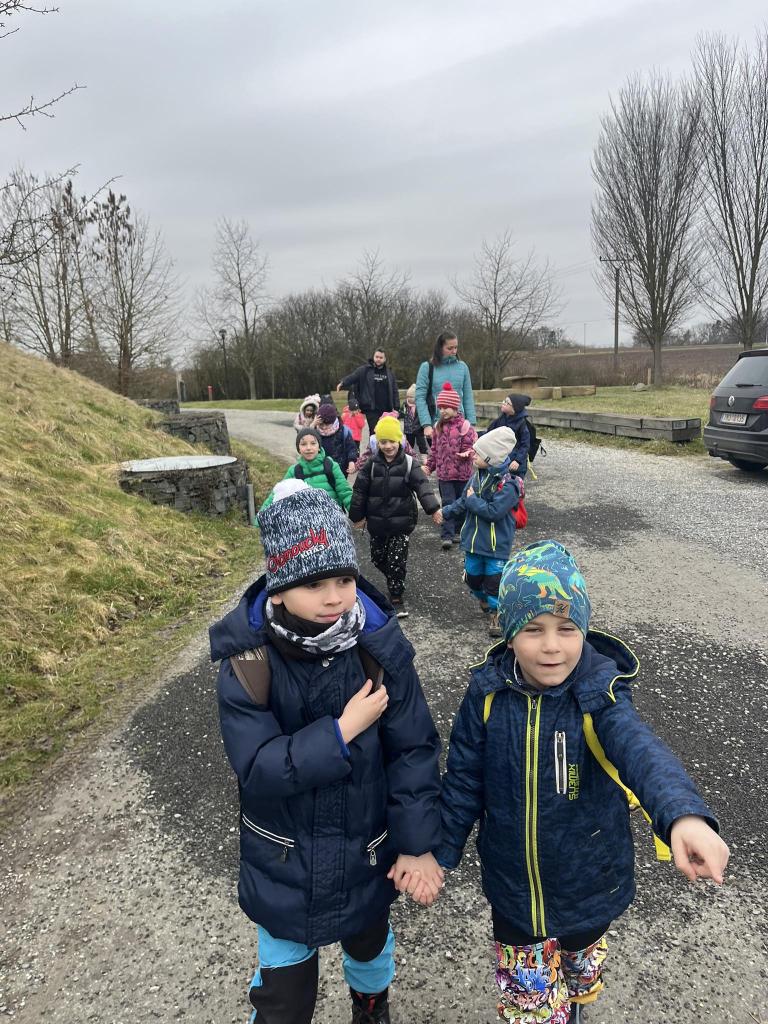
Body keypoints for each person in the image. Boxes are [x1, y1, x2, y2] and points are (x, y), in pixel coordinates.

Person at [427, 539, 729, 1024]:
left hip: (589, 885)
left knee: (577, 980)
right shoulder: (485, 695)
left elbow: (640, 751)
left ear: (584, 631)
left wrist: (683, 816)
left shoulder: (599, 695)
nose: (551, 645)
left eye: (567, 629)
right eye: (533, 629)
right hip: (513, 891)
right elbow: (463, 781)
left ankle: (574, 1005)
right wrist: (438, 853)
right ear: (509, 633)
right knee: (531, 1009)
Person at [210, 484, 444, 1024]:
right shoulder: (248, 663)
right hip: (284, 859)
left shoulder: (378, 649)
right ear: (278, 588)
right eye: (314, 583)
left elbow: (413, 749)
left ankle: (371, 1007)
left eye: (343, 579)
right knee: (285, 993)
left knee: (369, 950)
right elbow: (257, 766)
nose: (335, 597)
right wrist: (340, 733)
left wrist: (416, 845)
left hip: (366, 851)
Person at [349, 416, 442, 613]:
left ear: (399, 440)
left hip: (402, 522)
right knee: (377, 558)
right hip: (377, 523)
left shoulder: (409, 463)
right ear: (377, 443)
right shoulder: (371, 465)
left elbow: (423, 487)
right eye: (383, 442)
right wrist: (357, 516)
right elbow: (359, 491)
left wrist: (433, 509)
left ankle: (396, 594)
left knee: (396, 560)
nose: (388, 446)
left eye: (392, 441)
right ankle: (394, 576)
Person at [440, 427, 521, 637]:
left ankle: (496, 613)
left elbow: (494, 512)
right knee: (473, 579)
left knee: (494, 582)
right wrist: (445, 512)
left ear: (491, 457)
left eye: (478, 452)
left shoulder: (509, 485)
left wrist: (472, 500)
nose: (472, 454)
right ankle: (483, 598)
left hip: (496, 545)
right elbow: (462, 502)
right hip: (473, 542)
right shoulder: (476, 477)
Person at [422, 382, 477, 550]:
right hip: (445, 475)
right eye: (440, 407)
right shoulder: (438, 427)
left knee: (462, 503)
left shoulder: (465, 426)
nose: (443, 411)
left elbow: (471, 446)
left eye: (446, 407)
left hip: (462, 474)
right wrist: (429, 466)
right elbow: (434, 450)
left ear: (455, 407)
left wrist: (466, 453)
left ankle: (459, 531)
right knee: (447, 503)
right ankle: (447, 534)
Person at [260, 428, 352, 512]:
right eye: (303, 444)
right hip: (307, 521)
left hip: (333, 518)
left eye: (313, 443)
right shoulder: (294, 471)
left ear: (319, 447)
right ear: (299, 449)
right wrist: (259, 519)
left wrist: (356, 515)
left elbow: (345, 492)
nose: (308, 448)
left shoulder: (331, 466)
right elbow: (276, 495)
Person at [414, 331, 476, 440]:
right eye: (450, 348)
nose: (454, 351)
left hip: (460, 424)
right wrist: (426, 424)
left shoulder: (463, 367)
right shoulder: (427, 367)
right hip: (436, 425)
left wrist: (472, 424)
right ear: (440, 348)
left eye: (456, 347)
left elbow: (468, 397)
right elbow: (420, 398)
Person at [338, 349, 400, 436]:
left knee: (385, 431)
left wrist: (396, 407)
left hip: (386, 408)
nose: (378, 359)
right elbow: (354, 376)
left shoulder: (389, 373)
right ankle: (373, 445)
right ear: (373, 357)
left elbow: (394, 390)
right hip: (371, 408)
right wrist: (343, 382)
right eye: (376, 357)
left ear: (385, 359)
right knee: (374, 431)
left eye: (381, 357)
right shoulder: (365, 370)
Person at [485, 393, 532, 476]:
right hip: (501, 459)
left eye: (507, 403)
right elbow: (489, 434)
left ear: (515, 408)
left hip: (515, 463)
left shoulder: (522, 423)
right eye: (504, 401)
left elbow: (525, 445)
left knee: (513, 482)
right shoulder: (501, 419)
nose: (503, 403)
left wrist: (518, 460)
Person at [313, 403, 359, 477]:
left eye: (327, 424)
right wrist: (312, 425)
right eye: (321, 424)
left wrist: (351, 461)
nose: (324, 427)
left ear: (334, 421)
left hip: (340, 469)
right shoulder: (315, 431)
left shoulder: (343, 431)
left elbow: (351, 448)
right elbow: (304, 438)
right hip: (320, 469)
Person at [399, 384, 427, 454]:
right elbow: (401, 413)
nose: (409, 398)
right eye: (407, 396)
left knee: (421, 443)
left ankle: (424, 454)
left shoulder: (420, 405)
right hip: (408, 428)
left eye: (411, 397)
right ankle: (409, 454)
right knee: (410, 443)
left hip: (418, 428)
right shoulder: (405, 404)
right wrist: (397, 415)